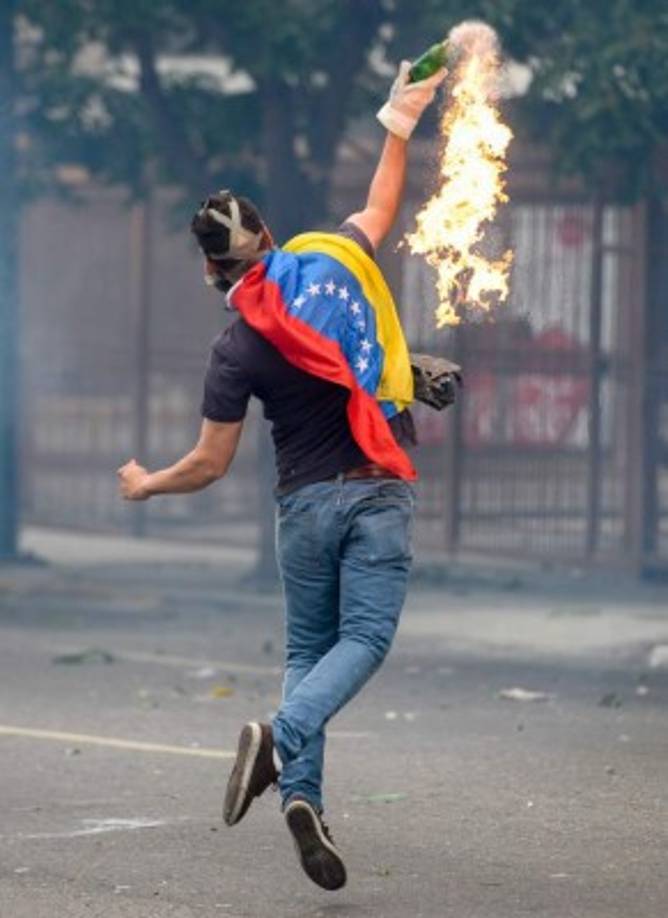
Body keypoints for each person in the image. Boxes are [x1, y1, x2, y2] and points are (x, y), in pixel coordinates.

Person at [117, 60, 446, 892]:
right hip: (376, 486)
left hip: (303, 502)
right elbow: (380, 203)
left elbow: (211, 462)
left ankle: (300, 794)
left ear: (211, 271)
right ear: (269, 234)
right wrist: (397, 121)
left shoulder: (237, 347)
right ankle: (282, 739)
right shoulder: (333, 260)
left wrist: (148, 483)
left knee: (309, 648)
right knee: (364, 640)